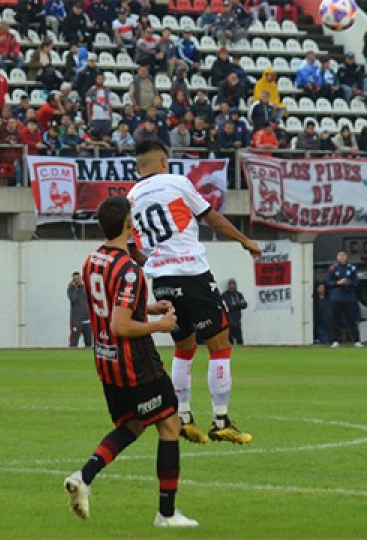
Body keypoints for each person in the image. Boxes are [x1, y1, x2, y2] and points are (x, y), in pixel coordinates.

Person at [64, 196, 197, 528]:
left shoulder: (92, 260)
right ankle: (166, 515)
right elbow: (120, 325)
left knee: (133, 424)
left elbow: (109, 307)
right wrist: (161, 325)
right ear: (129, 224)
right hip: (135, 364)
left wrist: (147, 308)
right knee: (170, 425)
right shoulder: (130, 270)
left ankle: (84, 476)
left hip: (106, 362)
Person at [127, 140, 262, 445]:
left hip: (161, 281)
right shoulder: (176, 182)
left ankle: (184, 417)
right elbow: (210, 217)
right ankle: (221, 420)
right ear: (164, 162)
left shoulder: (132, 197)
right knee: (220, 345)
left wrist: (156, 264)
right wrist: (245, 241)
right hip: (193, 275)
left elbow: (133, 248)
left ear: (138, 167)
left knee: (184, 348)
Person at [324, 250, 363, 348]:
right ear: (337, 257)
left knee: (351, 319)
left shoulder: (352, 268)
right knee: (335, 320)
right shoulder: (333, 268)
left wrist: (348, 282)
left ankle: (357, 340)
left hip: (348, 298)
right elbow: (327, 282)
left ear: (346, 257)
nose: (342, 257)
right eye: (340, 256)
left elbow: (356, 282)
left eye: (344, 255)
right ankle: (335, 340)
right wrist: (338, 283)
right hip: (336, 298)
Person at [66, 271, 92, 347]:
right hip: (76, 320)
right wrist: (75, 288)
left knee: (89, 342)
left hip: (87, 320)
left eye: (79, 278)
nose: (78, 281)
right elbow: (73, 299)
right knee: (74, 342)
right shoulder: (71, 289)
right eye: (75, 279)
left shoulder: (86, 288)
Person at [221, 278, 247, 345]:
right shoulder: (225, 295)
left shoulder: (239, 294)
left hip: (237, 320)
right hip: (228, 320)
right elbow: (227, 306)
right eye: (230, 284)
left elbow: (244, 305)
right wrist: (238, 304)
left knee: (239, 339)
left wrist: (235, 304)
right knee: (230, 339)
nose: (232, 286)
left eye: (233, 284)